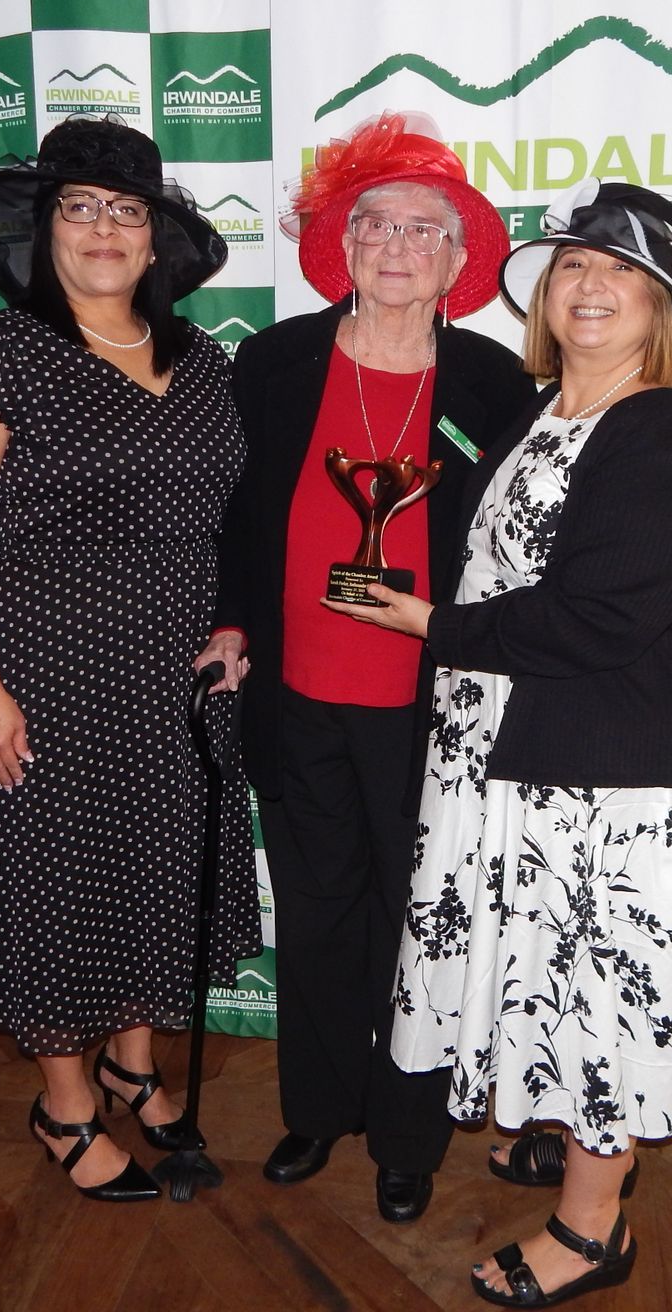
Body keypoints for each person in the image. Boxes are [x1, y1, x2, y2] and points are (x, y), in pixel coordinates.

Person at [325, 180, 672, 1304]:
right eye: (573, 267)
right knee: (551, 980)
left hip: (612, 773)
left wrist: (428, 623)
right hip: (519, 752)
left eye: (622, 273)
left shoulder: (660, 430)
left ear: (661, 308)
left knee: (603, 992)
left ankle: (594, 1229)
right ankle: (574, 1142)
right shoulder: (541, 415)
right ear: (543, 295)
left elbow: (597, 618)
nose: (592, 287)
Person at [0, 116, 260, 1203]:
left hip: (177, 676)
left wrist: (235, 625)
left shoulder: (207, 360)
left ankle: (133, 1064)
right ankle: (64, 1106)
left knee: (156, 871)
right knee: (54, 888)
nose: (105, 229)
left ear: (157, 241)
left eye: (126, 211)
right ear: (43, 231)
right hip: (42, 669)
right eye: (80, 208)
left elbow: (232, 520)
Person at [197, 112, 536, 1223]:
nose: (395, 245)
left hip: (428, 710)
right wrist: (236, 625)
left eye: (421, 229)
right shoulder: (278, 361)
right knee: (320, 906)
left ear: (456, 258)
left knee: (415, 919)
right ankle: (315, 1110)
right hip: (298, 698)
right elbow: (237, 522)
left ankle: (406, 1136)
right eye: (373, 224)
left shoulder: (492, 383)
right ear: (343, 247)